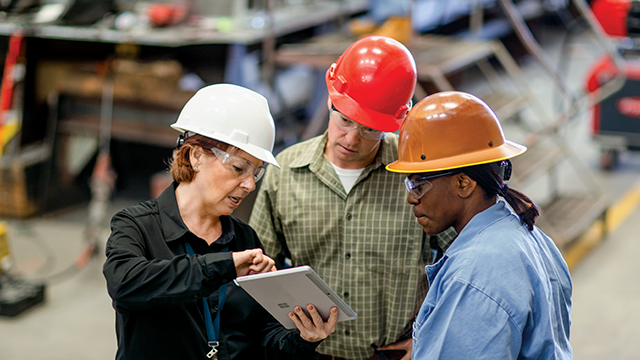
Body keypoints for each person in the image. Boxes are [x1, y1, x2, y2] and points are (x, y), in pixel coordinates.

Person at [249, 35, 457, 360]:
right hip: (312, 352)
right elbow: (260, 274)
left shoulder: (414, 174)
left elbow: (461, 264)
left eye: (370, 129)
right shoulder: (285, 172)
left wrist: (433, 336)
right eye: (344, 119)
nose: (351, 138)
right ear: (331, 100)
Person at [102, 84, 338, 360]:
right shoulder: (138, 226)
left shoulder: (245, 239)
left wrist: (303, 338)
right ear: (196, 155)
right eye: (239, 168)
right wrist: (225, 267)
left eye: (256, 173)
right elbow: (124, 285)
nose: (249, 184)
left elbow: (263, 335)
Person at [386, 91, 572, 359]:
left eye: (418, 185)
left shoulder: (474, 274)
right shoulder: (532, 238)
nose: (410, 198)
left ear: (463, 183)